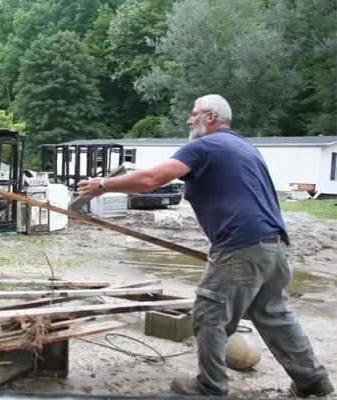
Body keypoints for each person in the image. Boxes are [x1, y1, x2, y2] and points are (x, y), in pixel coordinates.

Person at [77, 94, 334, 398]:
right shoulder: (243, 147)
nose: (189, 119)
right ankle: (312, 380)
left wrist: (103, 185)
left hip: (241, 246)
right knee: (274, 314)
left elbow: (151, 180)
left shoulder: (205, 146)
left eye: (194, 113)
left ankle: (210, 388)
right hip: (274, 246)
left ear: (210, 118)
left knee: (210, 313)